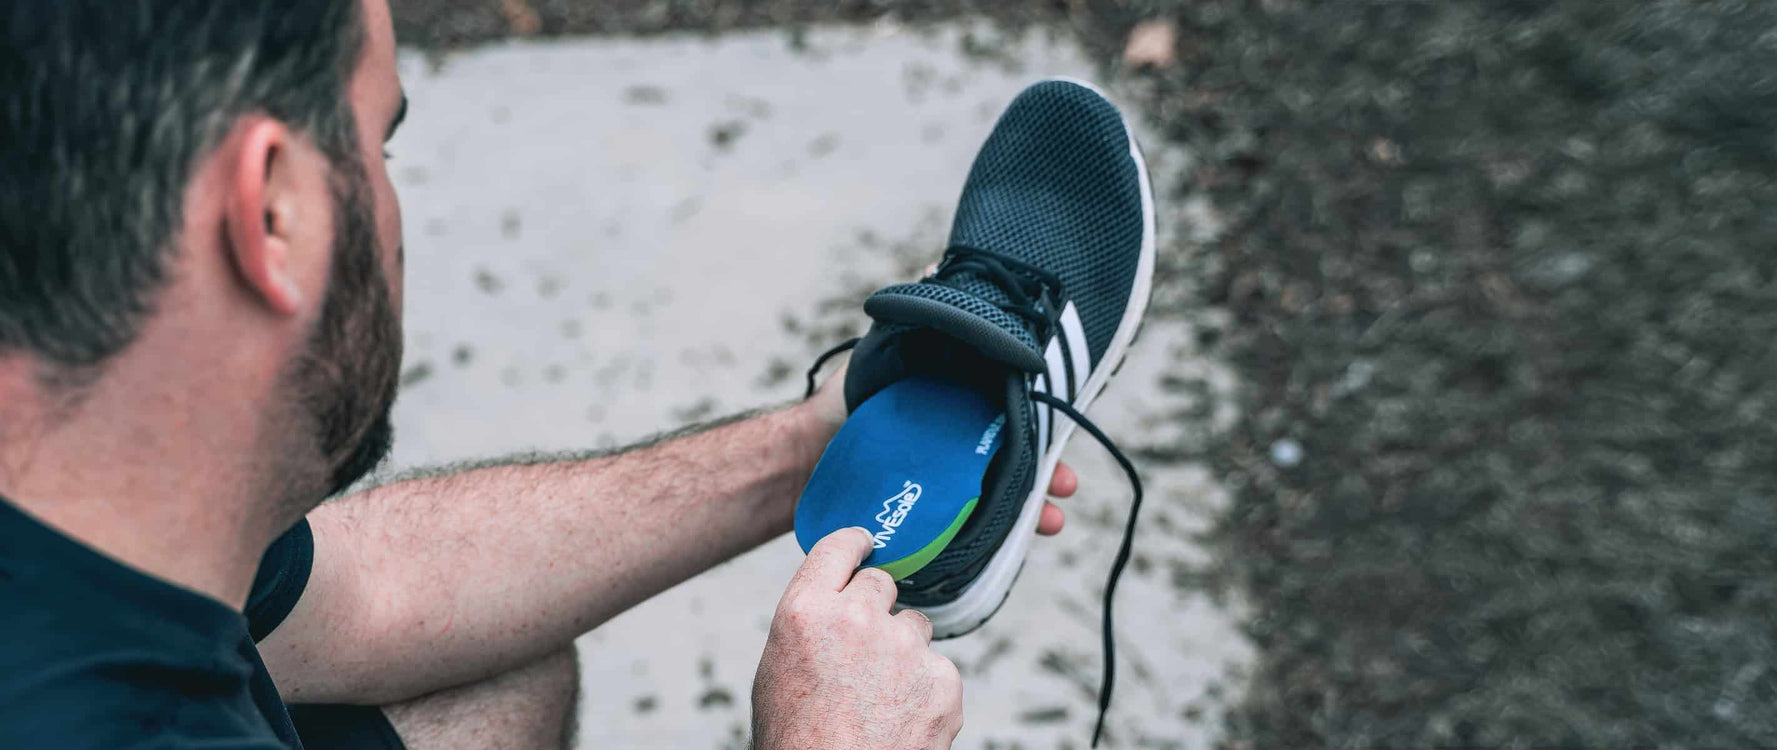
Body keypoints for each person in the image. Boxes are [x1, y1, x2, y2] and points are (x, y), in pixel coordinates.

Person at [0, 1, 1080, 747]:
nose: (391, 201)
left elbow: (371, 598)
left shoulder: (90, 508)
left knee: (482, 674)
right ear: (271, 213)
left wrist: (818, 442)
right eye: (380, 146)